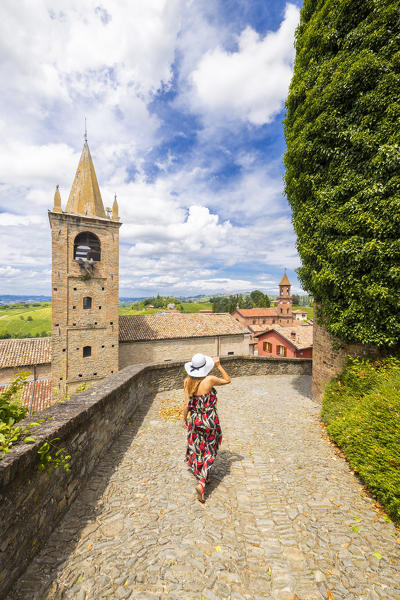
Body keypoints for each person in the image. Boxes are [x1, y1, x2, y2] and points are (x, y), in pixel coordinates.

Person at [183, 353, 231, 502]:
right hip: (210, 420)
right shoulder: (209, 380)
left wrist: (184, 419)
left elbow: (186, 404)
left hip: (195, 420)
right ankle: (202, 482)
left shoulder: (187, 381)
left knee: (198, 447)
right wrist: (218, 365)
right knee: (211, 448)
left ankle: (202, 474)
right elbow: (227, 380)